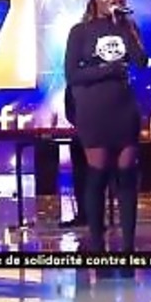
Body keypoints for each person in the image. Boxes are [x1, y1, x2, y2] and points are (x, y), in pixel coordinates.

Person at [64, 0, 148, 273]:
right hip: (94, 110)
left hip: (124, 109)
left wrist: (126, 28)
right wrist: (107, 70)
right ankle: (98, 245)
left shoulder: (126, 27)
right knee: (97, 176)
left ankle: (128, 247)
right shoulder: (80, 32)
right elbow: (72, 74)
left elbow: (141, 61)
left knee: (127, 176)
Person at [63, 86, 87, 227]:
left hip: (91, 136)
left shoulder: (74, 85)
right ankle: (84, 215)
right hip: (83, 136)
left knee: (89, 177)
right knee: (81, 176)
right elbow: (69, 112)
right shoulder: (72, 86)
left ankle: (88, 215)